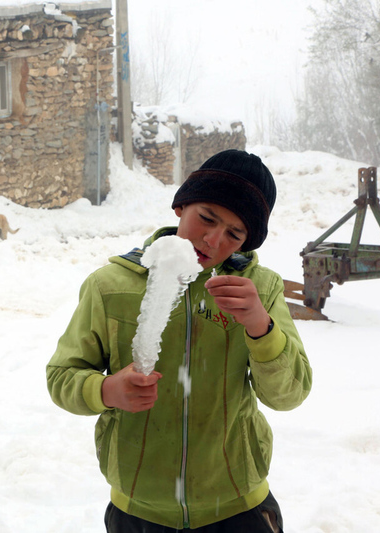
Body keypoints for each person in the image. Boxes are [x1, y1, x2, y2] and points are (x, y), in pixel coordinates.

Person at [46, 149, 312, 532]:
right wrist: (106, 390)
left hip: (239, 508)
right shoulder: (110, 286)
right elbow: (61, 376)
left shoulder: (260, 289)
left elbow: (289, 395)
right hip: (139, 510)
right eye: (207, 218)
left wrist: (261, 327)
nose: (213, 239)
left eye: (234, 234)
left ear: (246, 243)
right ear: (181, 206)